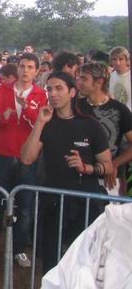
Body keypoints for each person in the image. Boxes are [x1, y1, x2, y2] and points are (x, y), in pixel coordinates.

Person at [20, 71, 112, 274]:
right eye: (49, 89)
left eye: (59, 88)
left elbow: (108, 166)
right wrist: (40, 122)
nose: (53, 93)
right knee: (51, 264)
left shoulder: (90, 125)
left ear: (72, 92)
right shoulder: (46, 123)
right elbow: (26, 158)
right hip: (53, 203)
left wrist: (86, 168)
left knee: (82, 266)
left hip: (85, 204)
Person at [0, 53, 47, 267]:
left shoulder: (41, 94)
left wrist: (27, 107)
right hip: (4, 156)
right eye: (22, 66)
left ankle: (19, 250)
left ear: (37, 71)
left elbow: (41, 124)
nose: (25, 70)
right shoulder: (2, 89)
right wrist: (4, 116)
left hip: (28, 160)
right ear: (17, 68)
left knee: (25, 207)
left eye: (30, 67)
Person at [76, 62, 132, 195]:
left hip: (109, 181)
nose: (79, 82)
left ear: (99, 82)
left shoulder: (120, 109)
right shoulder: (76, 107)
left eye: (84, 79)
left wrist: (114, 164)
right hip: (77, 177)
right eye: (78, 78)